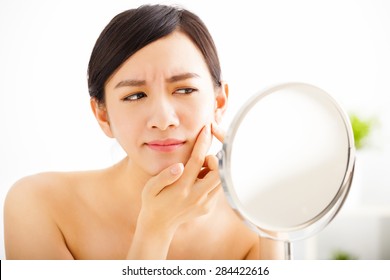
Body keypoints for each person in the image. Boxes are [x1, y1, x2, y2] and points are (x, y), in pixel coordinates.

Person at [4, 4, 283, 260]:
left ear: (219, 102)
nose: (163, 120)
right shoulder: (39, 206)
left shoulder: (258, 215)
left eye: (184, 90)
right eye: (135, 96)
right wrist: (156, 229)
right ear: (103, 115)